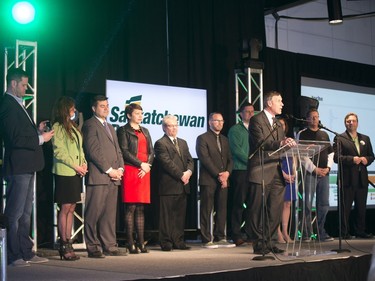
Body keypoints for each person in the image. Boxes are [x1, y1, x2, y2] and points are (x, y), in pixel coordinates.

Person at [0, 68, 54, 267]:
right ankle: (12, 255)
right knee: (14, 213)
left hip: (28, 165)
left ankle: (25, 251)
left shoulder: (17, 104)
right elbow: (14, 138)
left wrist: (37, 130)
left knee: (25, 214)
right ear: (13, 84)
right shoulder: (7, 104)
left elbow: (22, 133)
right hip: (18, 166)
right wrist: (41, 138)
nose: (26, 88)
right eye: (23, 84)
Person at [247, 90, 296, 255]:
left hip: (276, 170)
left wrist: (287, 143)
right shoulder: (256, 120)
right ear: (269, 103)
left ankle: (270, 241)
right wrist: (281, 142)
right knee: (257, 209)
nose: (282, 104)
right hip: (260, 169)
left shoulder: (277, 123)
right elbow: (261, 142)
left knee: (275, 209)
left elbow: (280, 148)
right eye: (279, 101)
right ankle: (259, 243)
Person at [82, 95, 126, 258]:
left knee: (109, 214)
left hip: (114, 177)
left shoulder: (110, 126)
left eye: (107, 105)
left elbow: (118, 149)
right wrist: (109, 170)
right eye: (102, 106)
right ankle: (93, 246)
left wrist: (120, 168)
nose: (106, 108)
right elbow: (93, 151)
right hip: (100, 176)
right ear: (94, 108)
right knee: (94, 212)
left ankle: (109, 245)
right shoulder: (89, 125)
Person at [51, 96, 87, 260]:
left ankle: (69, 240)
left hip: (76, 172)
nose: (74, 111)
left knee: (72, 207)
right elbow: (59, 152)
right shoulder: (58, 127)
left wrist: (84, 163)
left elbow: (79, 149)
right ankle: (63, 244)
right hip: (65, 172)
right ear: (65, 109)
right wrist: (75, 166)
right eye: (72, 109)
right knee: (65, 208)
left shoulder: (72, 126)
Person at [117, 103, 154, 254]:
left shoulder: (145, 130)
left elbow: (151, 151)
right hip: (132, 169)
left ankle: (141, 242)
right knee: (131, 207)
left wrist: (148, 166)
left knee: (140, 208)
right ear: (129, 115)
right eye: (137, 113)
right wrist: (141, 164)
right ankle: (130, 242)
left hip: (145, 171)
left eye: (141, 113)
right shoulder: (123, 130)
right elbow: (124, 151)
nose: (140, 116)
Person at [154, 115, 194, 251]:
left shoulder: (183, 142)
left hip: (183, 184)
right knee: (166, 216)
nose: (174, 128)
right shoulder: (160, 143)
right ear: (164, 128)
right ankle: (166, 242)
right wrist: (181, 175)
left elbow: (190, 160)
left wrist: (188, 172)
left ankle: (178, 241)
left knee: (179, 215)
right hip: (169, 185)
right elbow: (167, 163)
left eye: (176, 125)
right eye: (171, 126)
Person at [196, 112, 234, 248]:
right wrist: (219, 175)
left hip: (224, 179)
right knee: (207, 209)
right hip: (209, 179)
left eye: (222, 121)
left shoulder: (225, 139)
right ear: (210, 122)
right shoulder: (202, 138)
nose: (220, 123)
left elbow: (230, 159)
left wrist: (227, 173)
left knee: (222, 208)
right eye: (217, 121)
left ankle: (220, 237)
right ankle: (206, 238)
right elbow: (205, 159)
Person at [333, 113, 374, 239]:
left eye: (353, 121)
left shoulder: (365, 138)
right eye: (348, 121)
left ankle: (360, 231)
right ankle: (344, 233)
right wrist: (352, 159)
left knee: (361, 208)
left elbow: (371, 156)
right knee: (345, 208)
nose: (351, 123)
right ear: (345, 123)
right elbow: (336, 158)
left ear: (357, 122)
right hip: (347, 179)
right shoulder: (339, 138)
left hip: (362, 179)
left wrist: (367, 160)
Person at [298, 108, 334, 242]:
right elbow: (301, 155)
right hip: (310, 174)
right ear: (307, 119)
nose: (315, 119)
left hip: (324, 174)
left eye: (317, 116)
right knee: (307, 204)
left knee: (323, 204)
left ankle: (320, 233)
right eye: (312, 117)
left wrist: (328, 168)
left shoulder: (324, 134)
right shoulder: (302, 134)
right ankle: (306, 234)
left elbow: (331, 153)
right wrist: (314, 169)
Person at [228, 102, 254, 246]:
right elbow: (236, 150)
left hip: (254, 171)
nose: (250, 114)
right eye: (247, 111)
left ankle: (250, 233)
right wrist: (251, 161)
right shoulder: (235, 130)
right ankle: (236, 234)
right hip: (240, 170)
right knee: (238, 203)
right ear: (241, 113)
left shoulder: (256, 129)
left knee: (252, 204)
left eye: (252, 111)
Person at [277, 117, 297, 244]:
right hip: (278, 173)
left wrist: (294, 171)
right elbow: (274, 160)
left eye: (283, 125)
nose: (282, 127)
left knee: (288, 204)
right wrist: (282, 173)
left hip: (291, 173)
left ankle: (285, 232)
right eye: (279, 125)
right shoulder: (274, 141)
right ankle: (277, 232)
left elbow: (295, 156)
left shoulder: (289, 140)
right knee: (277, 204)